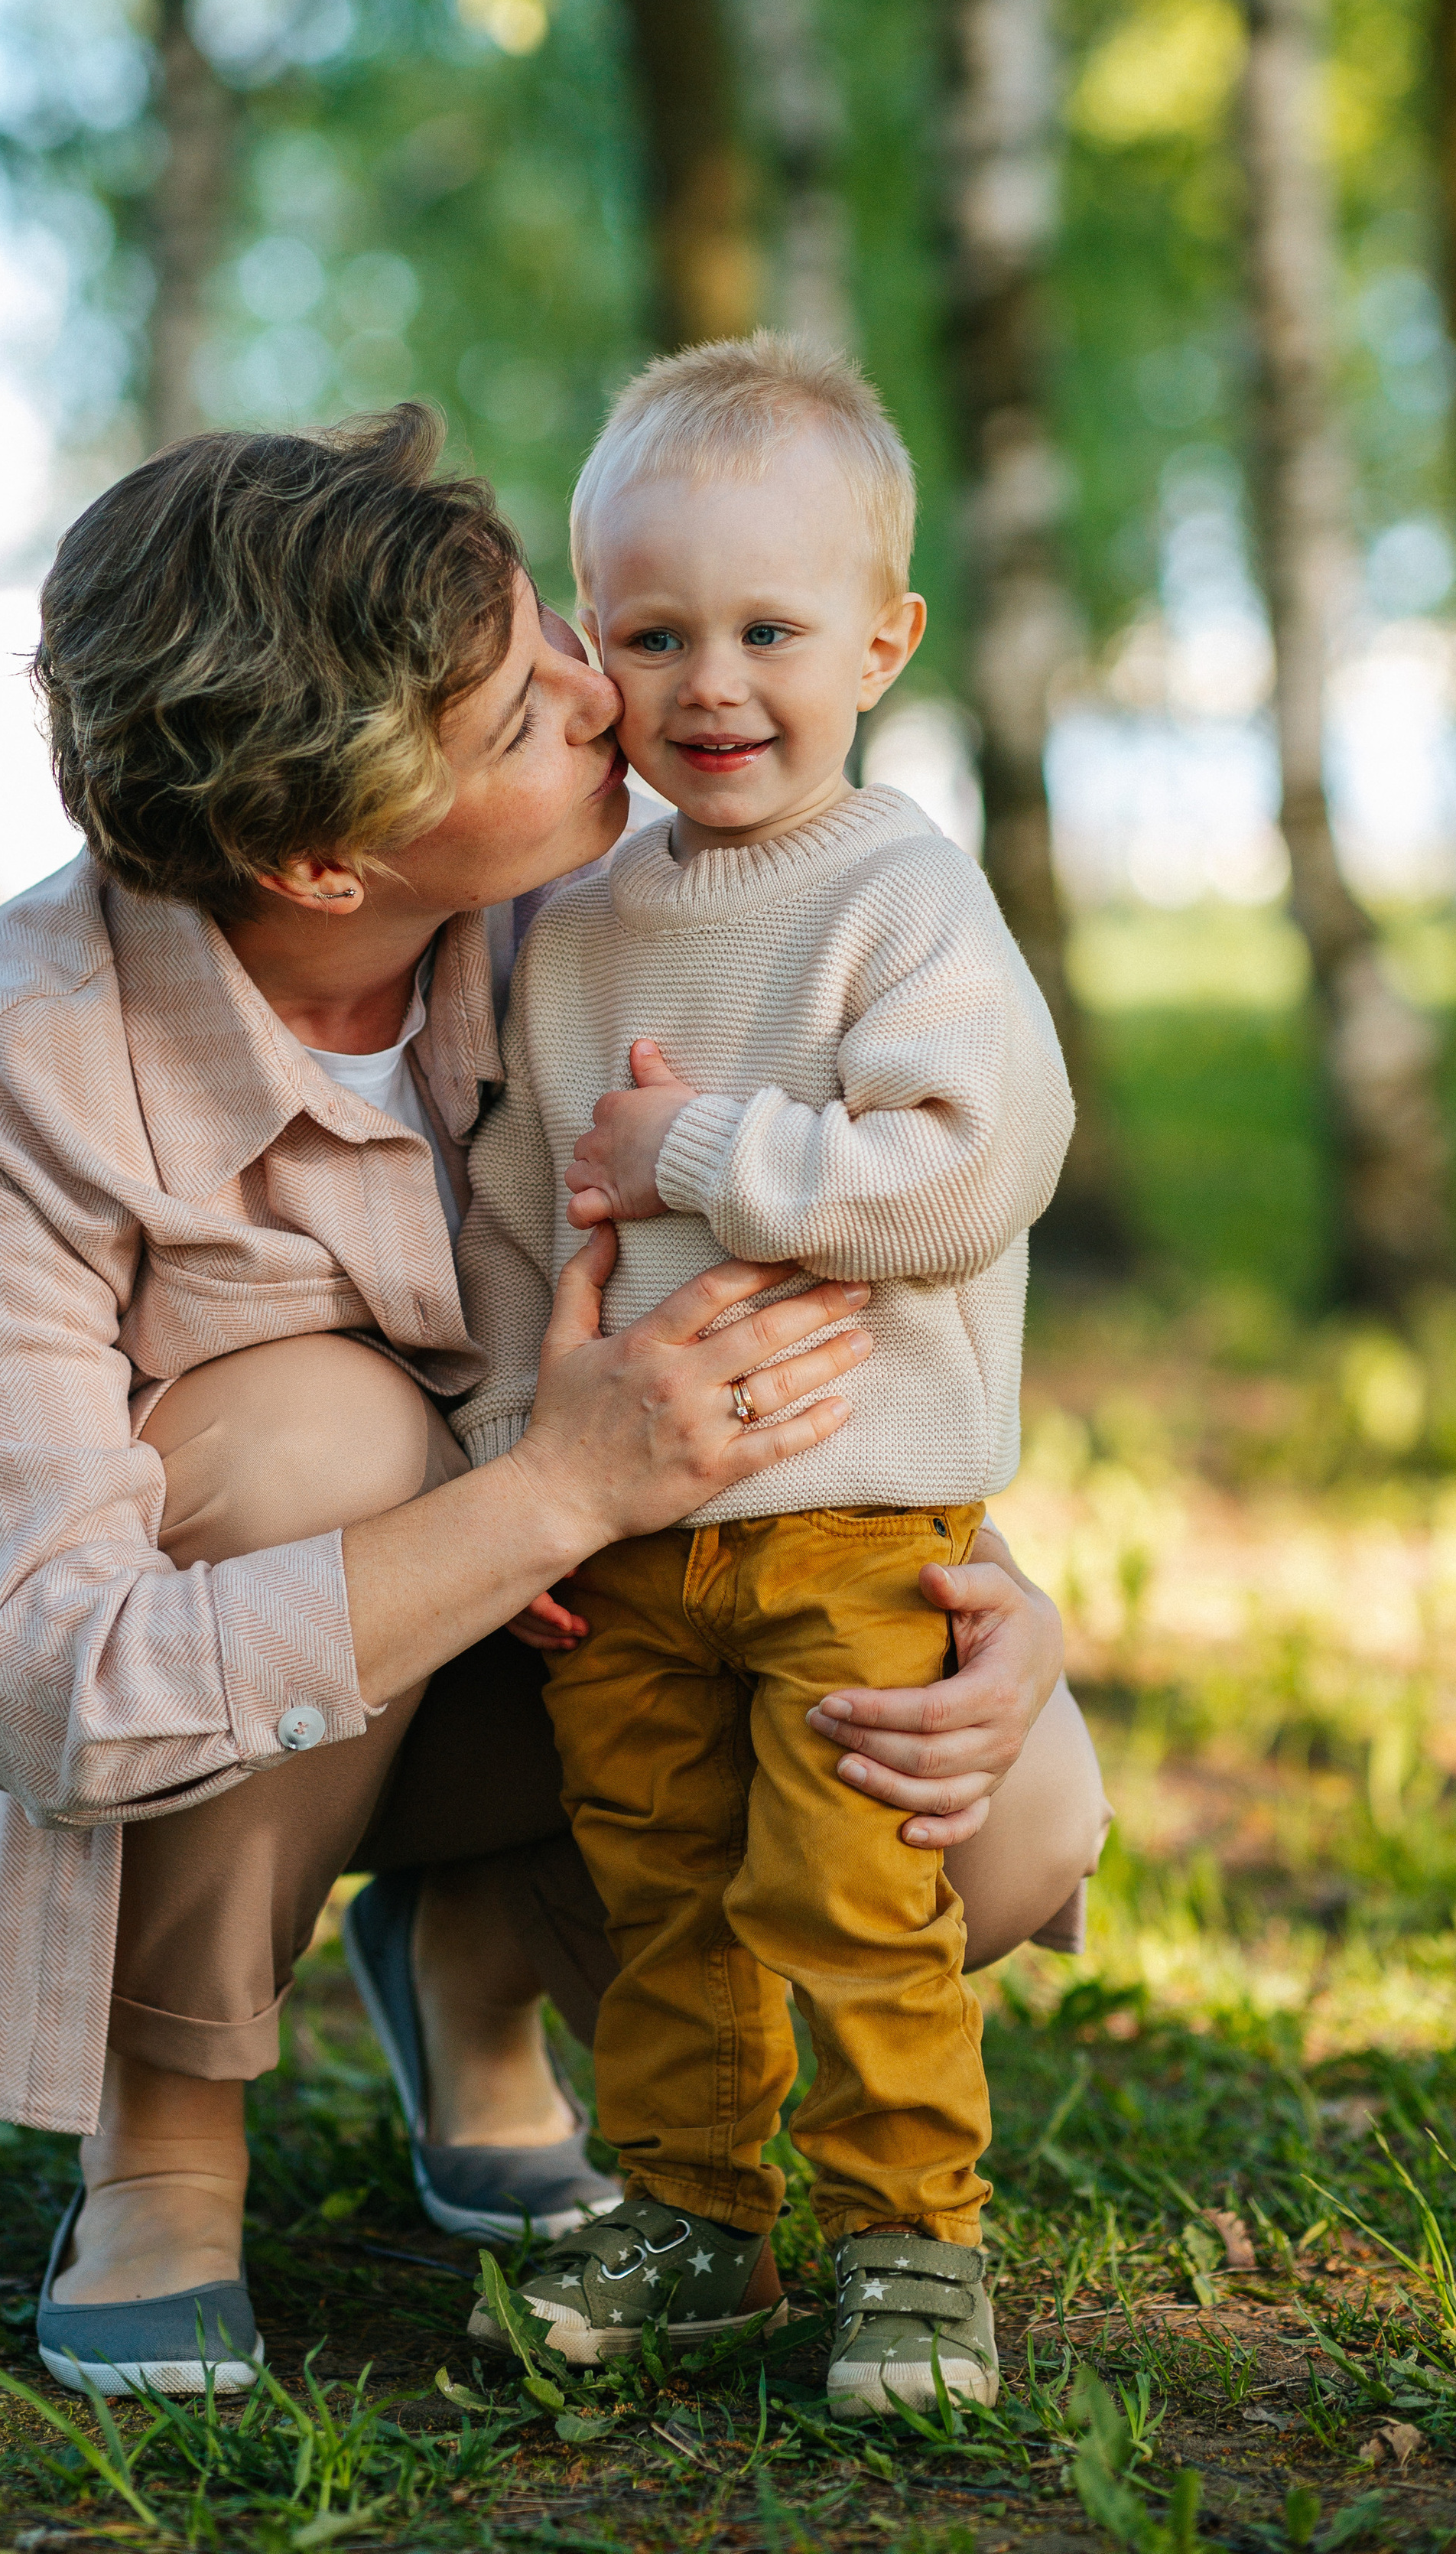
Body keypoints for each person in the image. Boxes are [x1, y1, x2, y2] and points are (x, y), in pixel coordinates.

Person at [0, 405, 1110, 2403]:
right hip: (192, 1692)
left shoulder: (603, 919)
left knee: (1000, 1825)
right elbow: (50, 1681)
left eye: (550, 642)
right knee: (320, 1430)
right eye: (525, 712)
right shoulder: (10, 1080)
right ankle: (164, 2140)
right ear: (316, 855)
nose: (614, 703)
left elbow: (799, 1268)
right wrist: (550, 1492)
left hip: (590, 1635)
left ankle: (468, 1961)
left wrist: (979, 1575)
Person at [456, 339, 1074, 2419]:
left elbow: (970, 1172)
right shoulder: (574, 928)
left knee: (851, 1889)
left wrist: (712, 1151)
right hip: (629, 1527)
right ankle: (694, 2211)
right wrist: (506, 1469)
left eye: (769, 631)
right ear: (588, 646)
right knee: (661, 1890)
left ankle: (910, 2240)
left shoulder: (900, 894)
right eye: (654, 632)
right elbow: (531, 1231)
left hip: (843, 1512)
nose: (712, 683)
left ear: (885, 640)